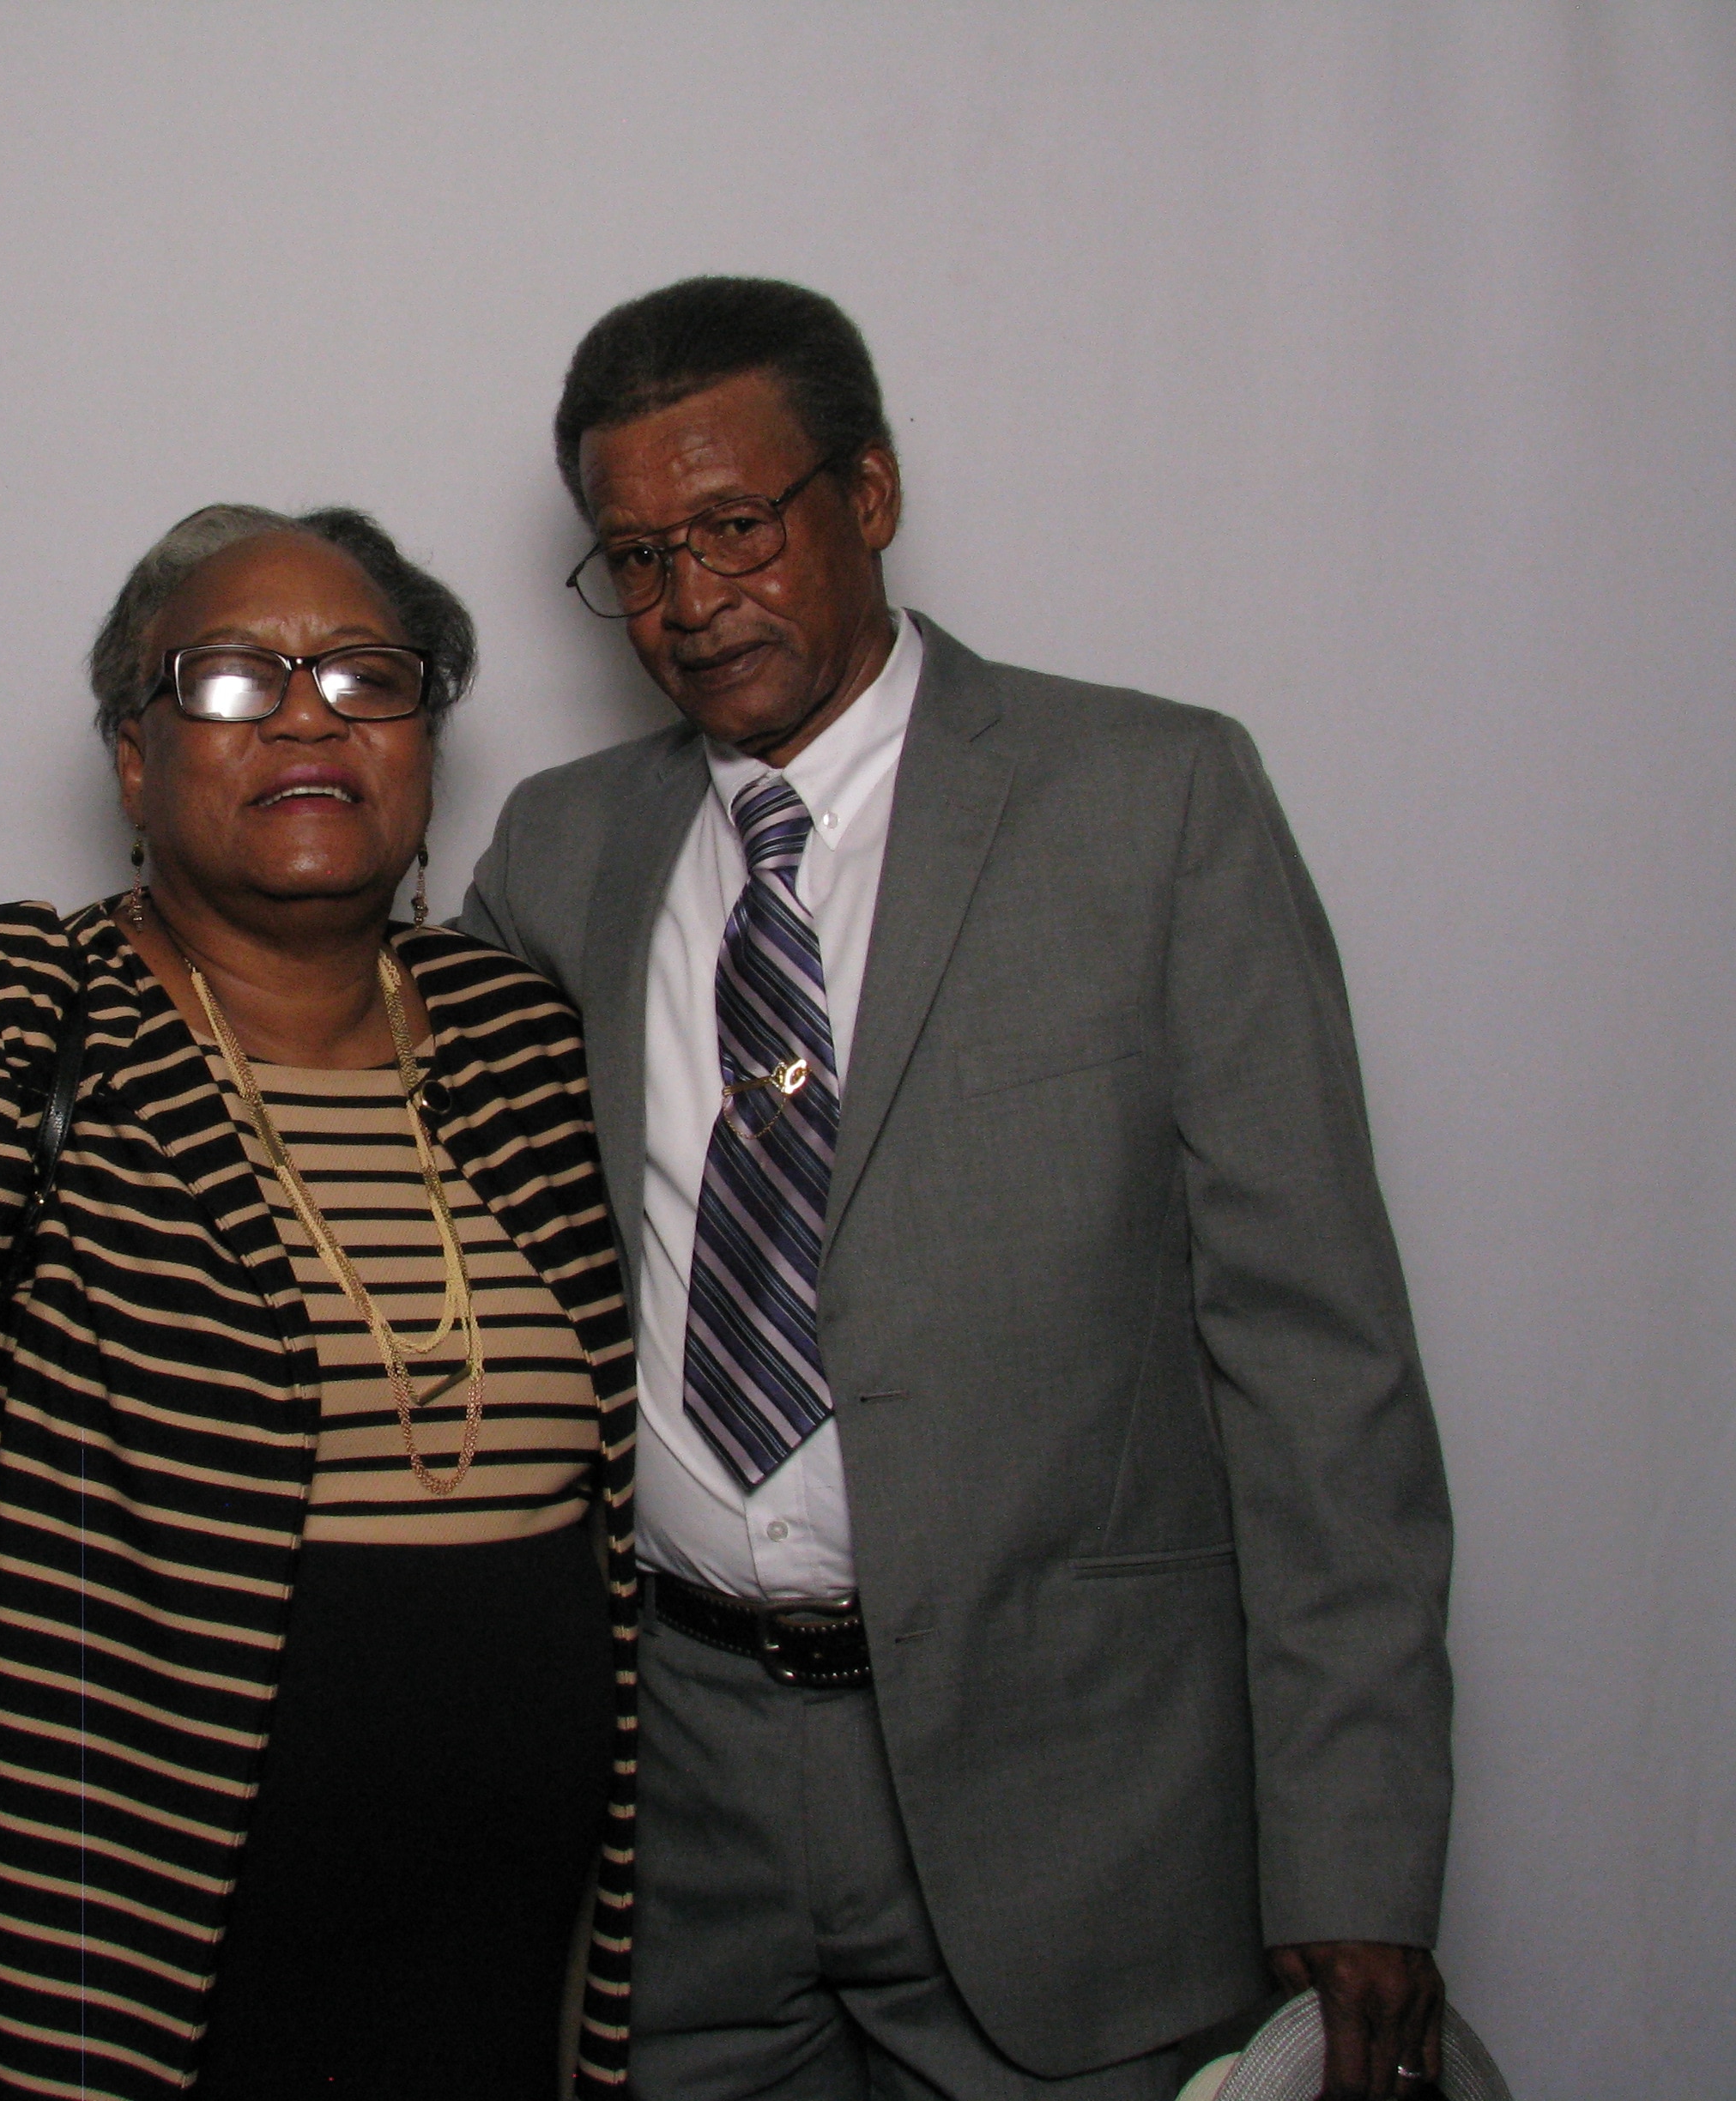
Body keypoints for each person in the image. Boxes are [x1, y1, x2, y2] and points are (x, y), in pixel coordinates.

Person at [459, 276, 1455, 2101]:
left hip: (1077, 1817)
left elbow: (1323, 1371)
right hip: (678, 1815)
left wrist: (1358, 1846)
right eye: (635, 558)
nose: (688, 604)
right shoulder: (559, 851)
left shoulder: (1153, 802)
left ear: (872, 493)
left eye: (736, 528)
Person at [0, 503, 641, 2101]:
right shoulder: (12, 1017)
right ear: (134, 758)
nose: (313, 714)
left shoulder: (519, 1037)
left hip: (500, 1972)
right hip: (113, 1967)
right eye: (237, 681)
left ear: (429, 745)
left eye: (368, 676)